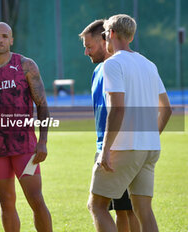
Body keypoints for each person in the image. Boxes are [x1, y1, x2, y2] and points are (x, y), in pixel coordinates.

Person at [87, 14, 172, 232]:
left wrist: (105, 149)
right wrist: (151, 135)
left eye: (105, 34)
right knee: (144, 211)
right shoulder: (149, 64)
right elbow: (167, 108)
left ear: (112, 34)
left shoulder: (112, 64)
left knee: (97, 206)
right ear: (131, 36)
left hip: (124, 148)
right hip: (150, 148)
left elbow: (117, 109)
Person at [0, 22, 53, 232]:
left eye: (5, 36)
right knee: (6, 202)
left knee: (35, 199)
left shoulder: (25, 65)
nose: (0, 39)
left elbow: (42, 104)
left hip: (25, 146)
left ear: (11, 40)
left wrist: (42, 141)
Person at [79, 19, 140, 232]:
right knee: (122, 209)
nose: (86, 52)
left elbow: (120, 109)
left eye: (89, 46)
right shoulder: (98, 71)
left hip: (116, 147)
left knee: (110, 208)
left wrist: (107, 149)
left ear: (105, 40)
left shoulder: (115, 69)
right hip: (106, 146)